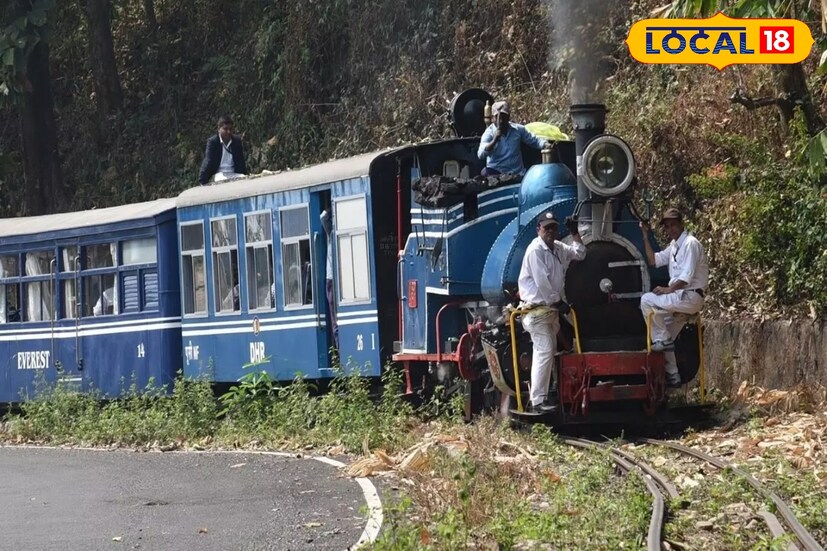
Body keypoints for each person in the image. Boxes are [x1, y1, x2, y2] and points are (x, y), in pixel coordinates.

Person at [518, 211, 585, 413]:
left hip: (549, 312)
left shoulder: (558, 248)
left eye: (554, 227)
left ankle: (552, 391)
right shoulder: (535, 251)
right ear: (538, 229)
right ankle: (538, 401)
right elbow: (543, 283)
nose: (551, 231)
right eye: (547, 228)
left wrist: (574, 233)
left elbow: (581, 253)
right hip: (536, 311)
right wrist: (558, 302)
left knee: (553, 349)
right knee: (545, 349)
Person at [639, 207, 709, 388]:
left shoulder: (691, 243)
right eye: (668, 226)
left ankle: (661, 340)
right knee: (666, 335)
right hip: (680, 298)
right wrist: (645, 237)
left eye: (673, 225)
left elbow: (686, 277)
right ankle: (673, 374)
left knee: (646, 300)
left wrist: (669, 289)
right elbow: (654, 260)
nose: (671, 229)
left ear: (681, 224)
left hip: (689, 296)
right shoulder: (674, 247)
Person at [477, 101, 549, 177]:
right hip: (497, 175)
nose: (501, 121)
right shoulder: (488, 133)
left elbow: (534, 140)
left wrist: (545, 144)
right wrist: (494, 140)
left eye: (504, 117)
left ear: (509, 117)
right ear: (492, 118)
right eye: (498, 118)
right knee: (485, 172)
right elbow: (480, 154)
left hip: (517, 174)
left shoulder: (518, 129)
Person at [198, 115, 247, 185]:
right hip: (219, 174)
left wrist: (244, 175)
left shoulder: (236, 141)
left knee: (243, 177)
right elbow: (208, 160)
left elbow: (241, 161)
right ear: (219, 129)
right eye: (225, 129)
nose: (228, 132)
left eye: (230, 129)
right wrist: (202, 180)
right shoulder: (213, 142)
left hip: (233, 173)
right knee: (222, 179)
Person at [320, 209, 339, 349]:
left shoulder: (332, 231)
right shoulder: (331, 230)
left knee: (336, 318)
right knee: (334, 319)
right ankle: (339, 348)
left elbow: (323, 217)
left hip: (334, 278)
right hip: (332, 279)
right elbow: (323, 217)